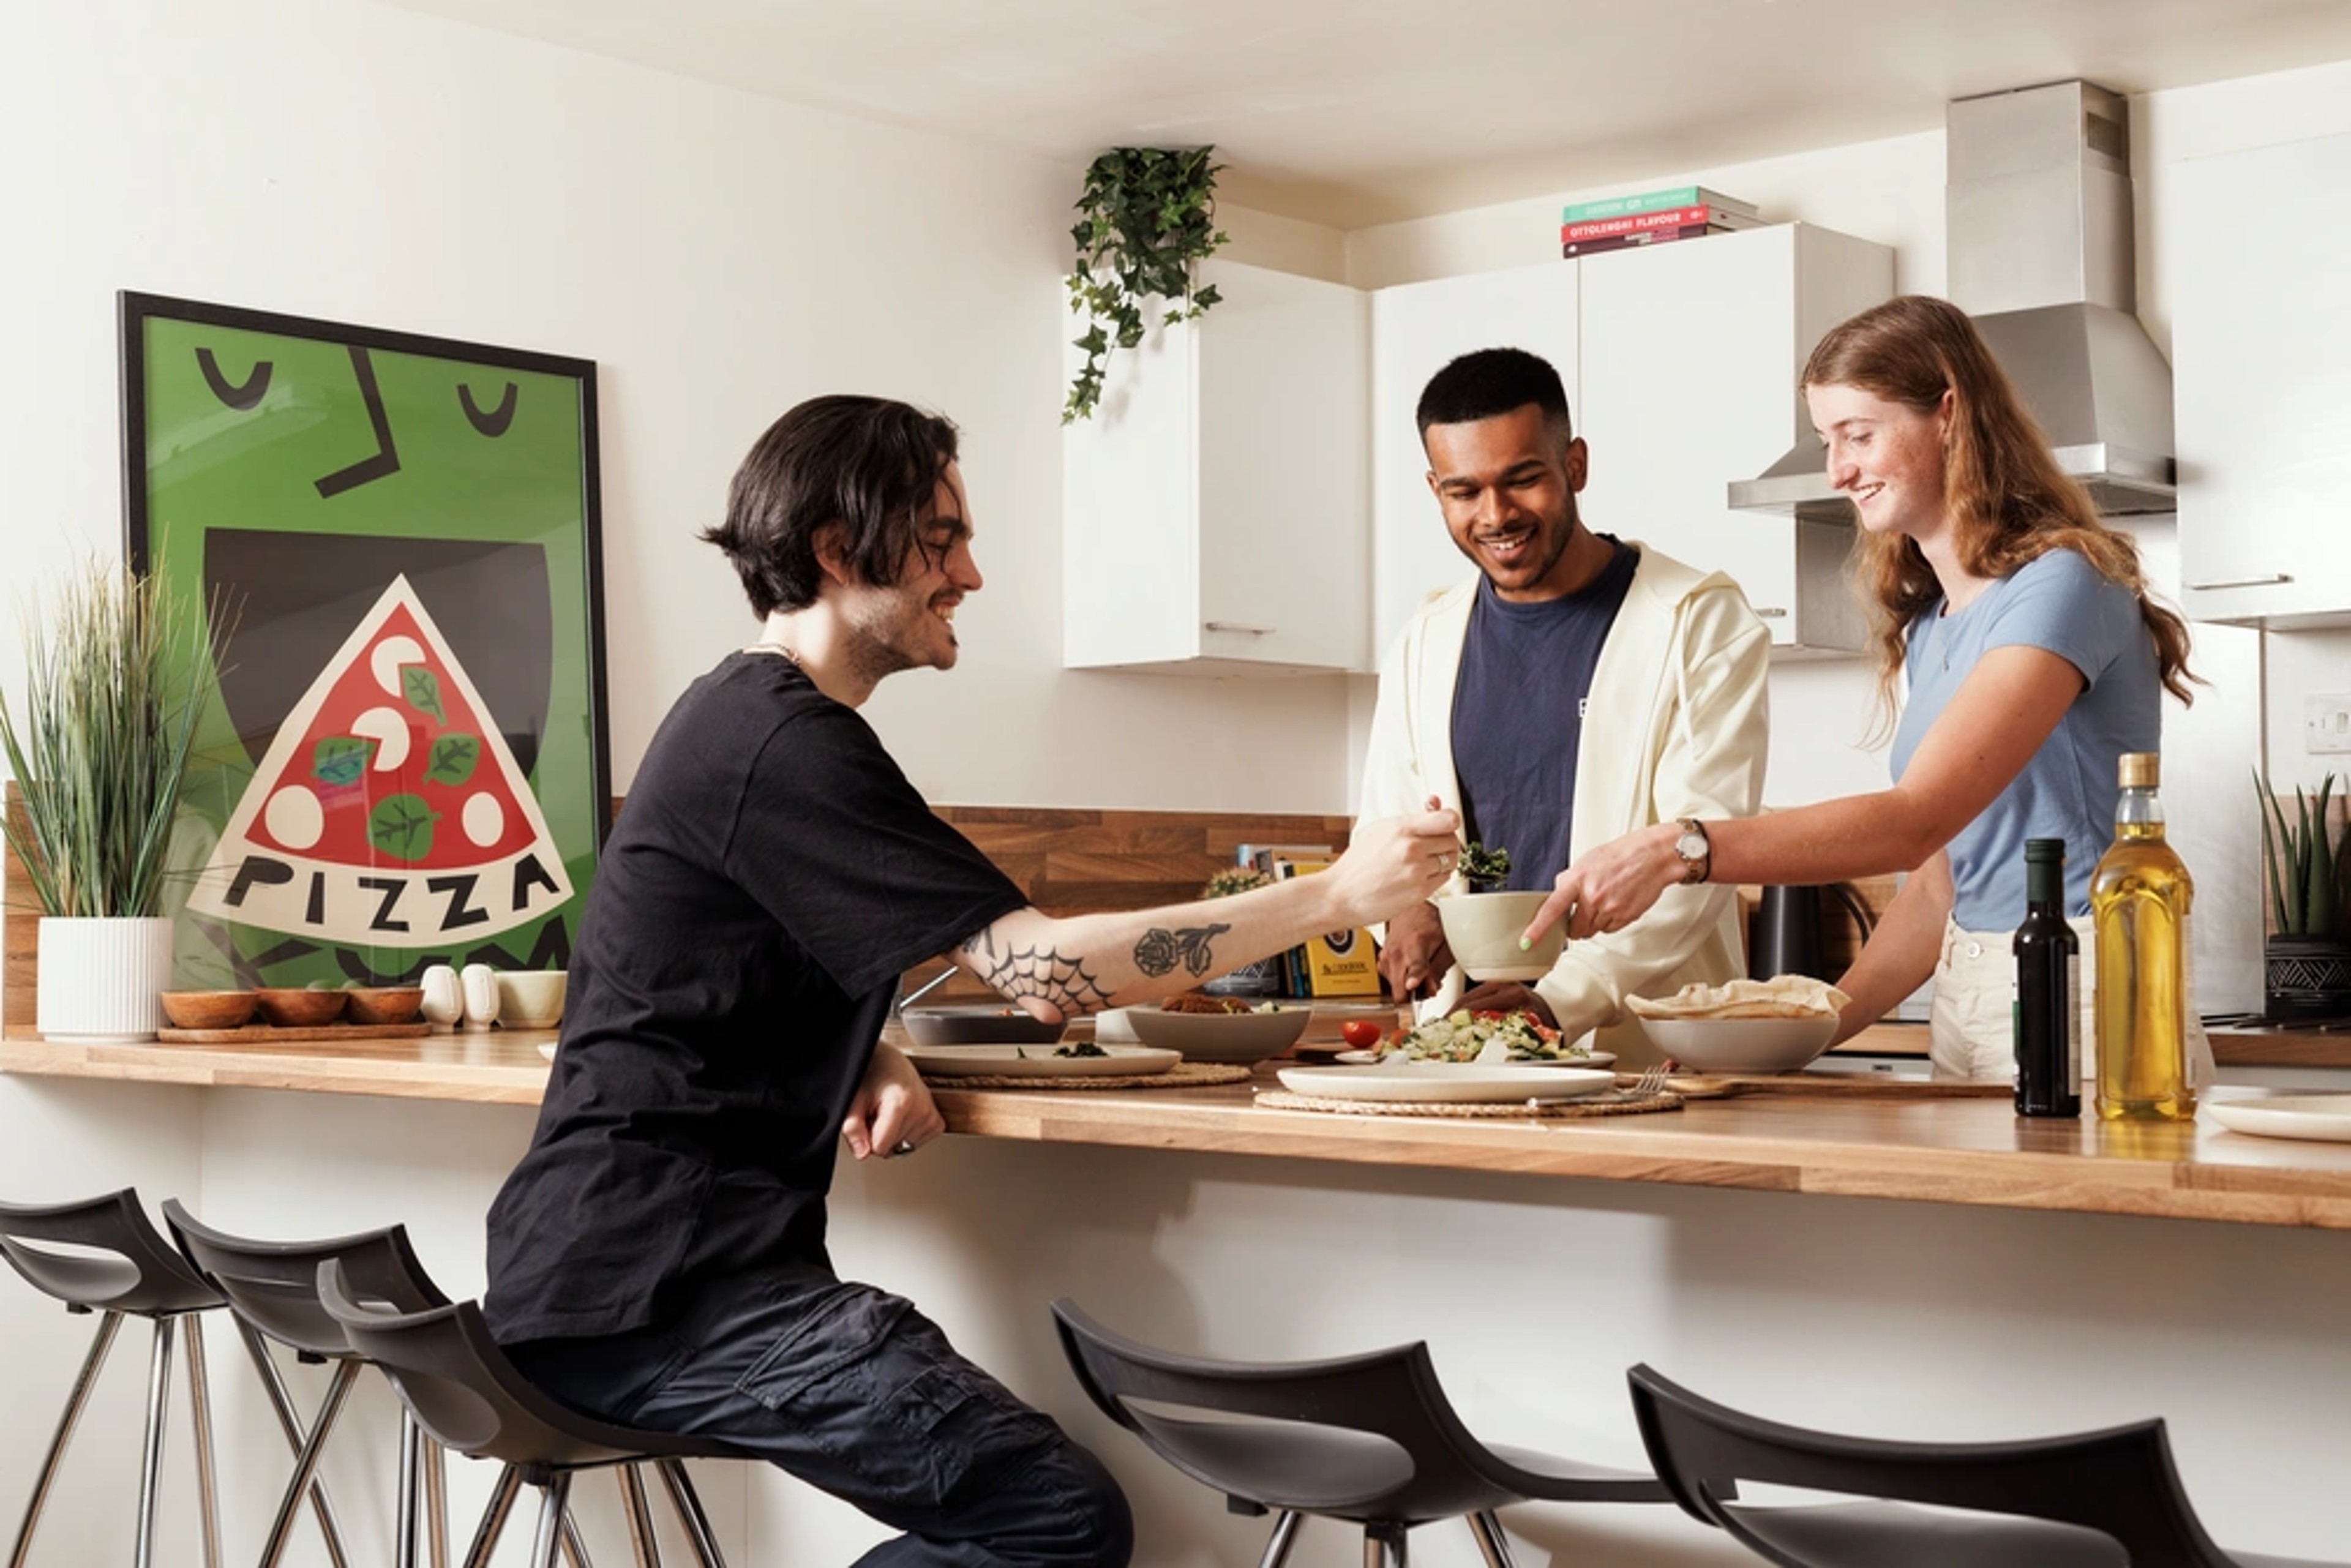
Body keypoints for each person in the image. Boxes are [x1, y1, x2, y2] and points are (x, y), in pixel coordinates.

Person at [481, 395, 1460, 1567]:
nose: (974, 574)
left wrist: (866, 1048)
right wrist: (1336, 895)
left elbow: (728, 963)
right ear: (843, 554)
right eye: (942, 540)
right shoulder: (786, 742)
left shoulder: (741, 721)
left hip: (617, 1280)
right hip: (657, 1300)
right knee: (1055, 1518)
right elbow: (1047, 975)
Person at [1524, 294, 2202, 1081]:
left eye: (1860, 434)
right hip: (1974, 989)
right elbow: (1936, 886)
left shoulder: (2062, 588)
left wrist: (1682, 847)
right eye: (1827, 439)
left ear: (1948, 414)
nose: (1838, 469)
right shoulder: (1935, 626)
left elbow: (1914, 821)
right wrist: (1794, 1034)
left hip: (2085, 984)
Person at [1359, 347, 1772, 1063]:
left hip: (1653, 1059)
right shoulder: (1424, 641)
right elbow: (1387, 831)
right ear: (1435, 489)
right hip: (1464, 1049)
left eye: (1522, 479)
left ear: (1575, 465)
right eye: (1464, 491)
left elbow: (1701, 855)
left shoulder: (1697, 618)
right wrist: (1407, 907)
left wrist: (1557, 1003)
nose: (1496, 515)